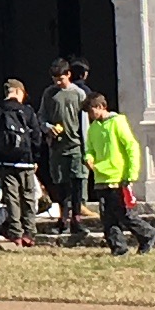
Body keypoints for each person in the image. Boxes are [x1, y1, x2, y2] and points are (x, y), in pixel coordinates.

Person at [83, 95, 153, 254]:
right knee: (108, 219)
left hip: (119, 178)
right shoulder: (93, 128)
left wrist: (131, 173)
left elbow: (131, 147)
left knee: (127, 216)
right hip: (101, 178)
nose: (90, 115)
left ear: (101, 106)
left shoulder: (118, 122)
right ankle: (118, 248)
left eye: (91, 110)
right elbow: (90, 149)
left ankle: (146, 234)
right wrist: (88, 158)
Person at [0, 78, 47, 241]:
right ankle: (30, 232)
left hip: (4, 162)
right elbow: (36, 137)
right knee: (28, 195)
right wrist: (35, 159)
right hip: (25, 161)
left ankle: (16, 232)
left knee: (11, 197)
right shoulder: (27, 111)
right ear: (19, 92)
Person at [42, 59, 93, 245]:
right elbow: (42, 116)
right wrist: (47, 128)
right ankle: (62, 217)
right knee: (60, 183)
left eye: (61, 78)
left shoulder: (79, 94)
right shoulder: (49, 94)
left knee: (77, 182)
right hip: (57, 147)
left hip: (76, 146)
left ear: (68, 75)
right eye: (55, 79)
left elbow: (85, 123)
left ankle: (77, 217)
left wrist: (87, 149)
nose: (58, 82)